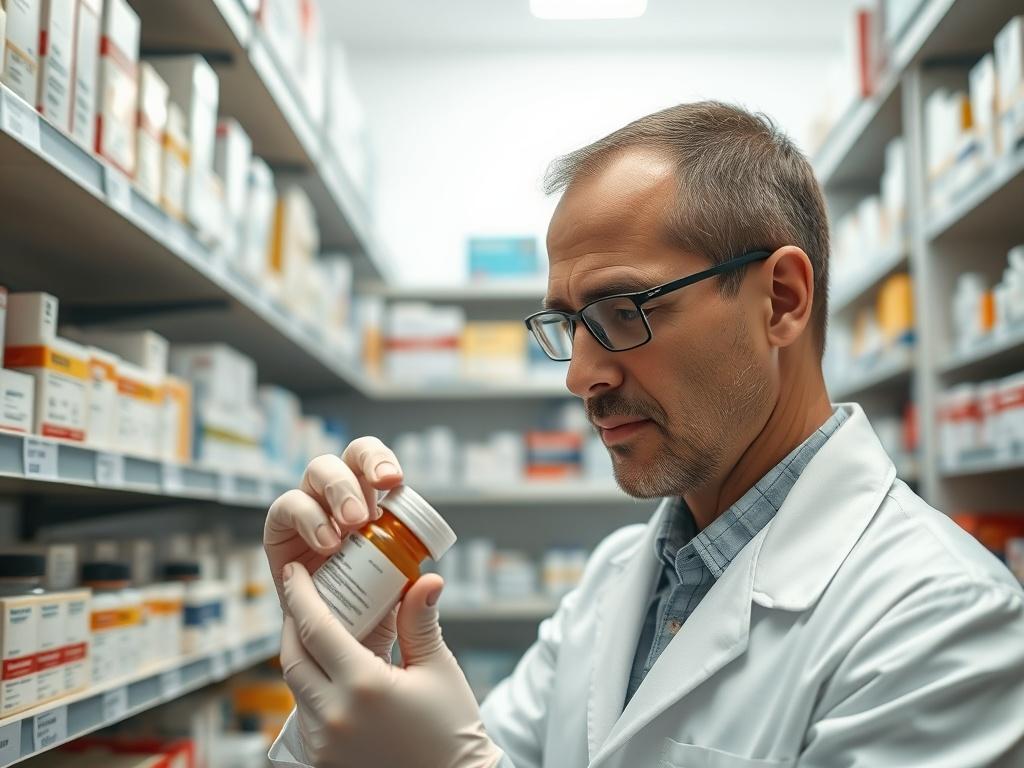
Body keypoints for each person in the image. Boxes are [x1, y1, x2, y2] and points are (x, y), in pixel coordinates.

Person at [265, 102, 1024, 768]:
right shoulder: (618, 580)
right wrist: (350, 672)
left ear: (781, 301)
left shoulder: (943, 621)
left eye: (623, 310)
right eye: (567, 323)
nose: (580, 376)